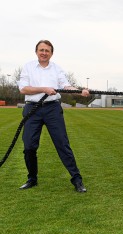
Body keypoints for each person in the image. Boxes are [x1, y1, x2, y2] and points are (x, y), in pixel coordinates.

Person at [18, 40, 89, 193]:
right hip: (32, 109)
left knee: (62, 144)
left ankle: (77, 180)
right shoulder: (28, 67)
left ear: (51, 53)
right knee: (29, 146)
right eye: (41, 50)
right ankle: (32, 178)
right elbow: (23, 89)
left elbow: (66, 86)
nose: (44, 53)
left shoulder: (57, 69)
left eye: (47, 50)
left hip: (52, 110)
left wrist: (79, 91)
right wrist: (44, 89)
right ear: (36, 51)